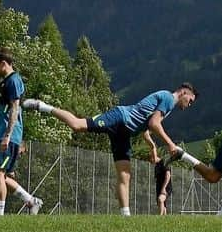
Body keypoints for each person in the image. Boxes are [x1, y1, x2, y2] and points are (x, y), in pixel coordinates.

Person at [24, 84, 197, 216]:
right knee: (77, 125)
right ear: (183, 92)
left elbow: (146, 125)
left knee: (125, 174)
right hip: (119, 118)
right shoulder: (168, 98)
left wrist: (152, 146)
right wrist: (170, 144)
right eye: (190, 100)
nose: (189, 105)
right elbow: (154, 124)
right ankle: (43, 106)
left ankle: (125, 216)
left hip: (125, 132)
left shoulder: (167, 105)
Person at [0, 49, 25, 217]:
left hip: (8, 137)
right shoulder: (5, 82)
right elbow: (3, 112)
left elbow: (15, 108)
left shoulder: (14, 80)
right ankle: (30, 201)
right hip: (0, 135)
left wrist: (8, 135)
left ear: (3, 63)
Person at [153, 151, 173, 216]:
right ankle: (165, 219)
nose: (151, 161)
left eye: (152, 158)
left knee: (160, 199)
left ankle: (159, 217)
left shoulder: (164, 162)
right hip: (159, 186)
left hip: (166, 187)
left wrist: (164, 188)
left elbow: (168, 176)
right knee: (162, 203)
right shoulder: (156, 166)